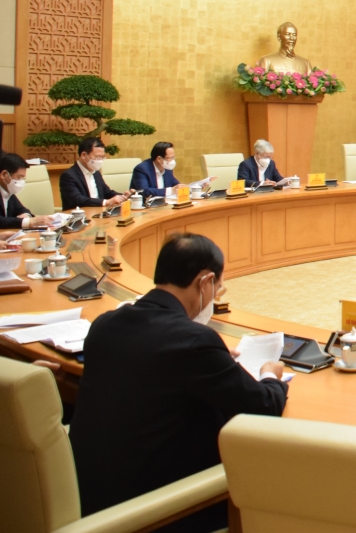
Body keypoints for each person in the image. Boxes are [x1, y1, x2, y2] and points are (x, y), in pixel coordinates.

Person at [70, 233, 288, 532]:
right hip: (159, 511)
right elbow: (264, 406)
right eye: (218, 288)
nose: (215, 295)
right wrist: (269, 374)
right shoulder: (193, 341)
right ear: (205, 282)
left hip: (89, 497)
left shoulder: (105, 324)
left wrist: (216, 359)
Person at [60, 137, 133, 209]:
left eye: (102, 157)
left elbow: (107, 192)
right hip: (80, 214)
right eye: (98, 157)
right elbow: (77, 199)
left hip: (99, 212)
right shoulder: (68, 176)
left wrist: (123, 196)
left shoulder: (96, 172)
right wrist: (106, 202)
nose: (100, 160)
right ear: (84, 155)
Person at [0, 153, 55, 228]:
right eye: (19, 177)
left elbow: (21, 209)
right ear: (4, 174)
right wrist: (28, 222)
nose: (21, 181)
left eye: (23, 178)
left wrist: (26, 215)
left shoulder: (8, 191)